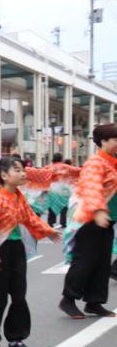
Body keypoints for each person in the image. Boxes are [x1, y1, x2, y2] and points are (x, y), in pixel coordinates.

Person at [0, 155, 61, 347]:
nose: (23, 174)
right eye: (17, 170)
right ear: (4, 175)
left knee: (19, 296)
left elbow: (30, 218)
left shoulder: (19, 197)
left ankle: (16, 340)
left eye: (23, 170)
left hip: (16, 249)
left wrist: (48, 231)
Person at [60, 124, 117, 319]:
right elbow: (91, 187)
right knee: (84, 261)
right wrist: (98, 210)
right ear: (103, 141)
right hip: (88, 218)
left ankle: (94, 302)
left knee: (102, 263)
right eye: (115, 139)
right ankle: (68, 299)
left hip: (107, 219)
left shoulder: (112, 162)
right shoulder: (95, 163)